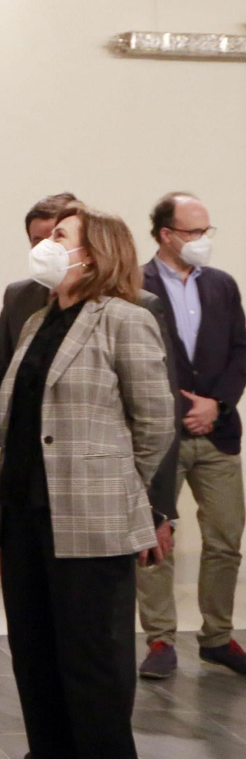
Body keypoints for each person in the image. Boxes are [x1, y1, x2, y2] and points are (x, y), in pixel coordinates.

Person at [0, 203, 174, 759]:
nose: (46, 244)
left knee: (92, 664)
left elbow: (154, 422)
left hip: (90, 518)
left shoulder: (125, 318)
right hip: (26, 516)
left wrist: (119, 486)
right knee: (35, 654)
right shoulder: (35, 319)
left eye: (60, 236)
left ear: (95, 253)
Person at [137, 192, 246, 678]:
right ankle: (160, 639)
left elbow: (240, 349)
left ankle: (218, 637)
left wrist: (217, 404)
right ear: (167, 235)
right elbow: (139, 360)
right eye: (194, 232)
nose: (203, 241)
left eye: (207, 232)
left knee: (225, 537)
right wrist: (186, 407)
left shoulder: (222, 285)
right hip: (162, 435)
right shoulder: (134, 285)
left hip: (217, 433)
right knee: (156, 538)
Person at [0, 192, 79, 444]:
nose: (45, 248)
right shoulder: (19, 296)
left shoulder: (127, 304)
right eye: (37, 241)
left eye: (56, 237)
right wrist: (5, 432)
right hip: (25, 455)